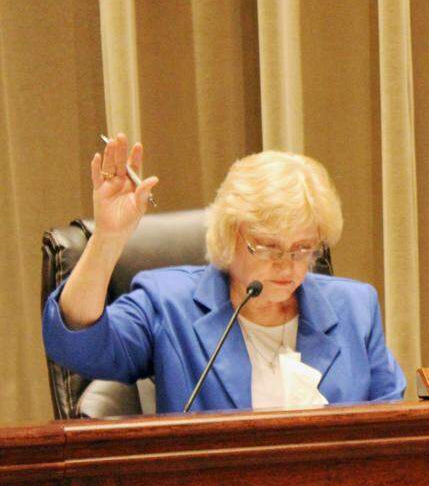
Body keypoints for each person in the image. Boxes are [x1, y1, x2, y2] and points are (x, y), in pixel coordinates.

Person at [42, 135, 406, 413]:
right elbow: (77, 345)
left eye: (303, 249)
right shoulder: (168, 304)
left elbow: (391, 429)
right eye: (268, 246)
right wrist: (107, 239)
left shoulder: (355, 308)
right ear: (230, 236)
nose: (287, 265)